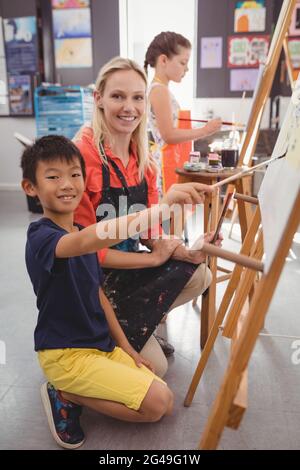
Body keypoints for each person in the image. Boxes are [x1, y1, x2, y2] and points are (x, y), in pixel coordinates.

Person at [21, 134, 213, 449]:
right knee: (156, 404)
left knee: (164, 402)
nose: (67, 184)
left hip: (102, 346)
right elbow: (86, 242)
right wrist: (159, 210)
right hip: (65, 354)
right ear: (31, 187)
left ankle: (80, 383)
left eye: (74, 174)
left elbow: (97, 294)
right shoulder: (42, 236)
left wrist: (127, 348)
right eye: (53, 177)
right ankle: (63, 391)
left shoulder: (81, 231)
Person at [74, 57, 220, 376]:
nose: (130, 107)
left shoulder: (146, 160)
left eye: (137, 97)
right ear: (98, 99)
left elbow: (148, 231)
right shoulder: (82, 156)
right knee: (157, 370)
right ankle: (87, 349)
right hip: (90, 283)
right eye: (118, 96)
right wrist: (153, 261)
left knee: (200, 275)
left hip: (124, 273)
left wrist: (178, 249)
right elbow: (86, 252)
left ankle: (135, 327)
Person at [144, 31, 222, 195]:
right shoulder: (160, 91)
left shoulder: (160, 89)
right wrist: (205, 130)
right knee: (169, 217)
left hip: (167, 160)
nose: (186, 69)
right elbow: (169, 135)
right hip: (164, 164)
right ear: (164, 60)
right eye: (183, 62)